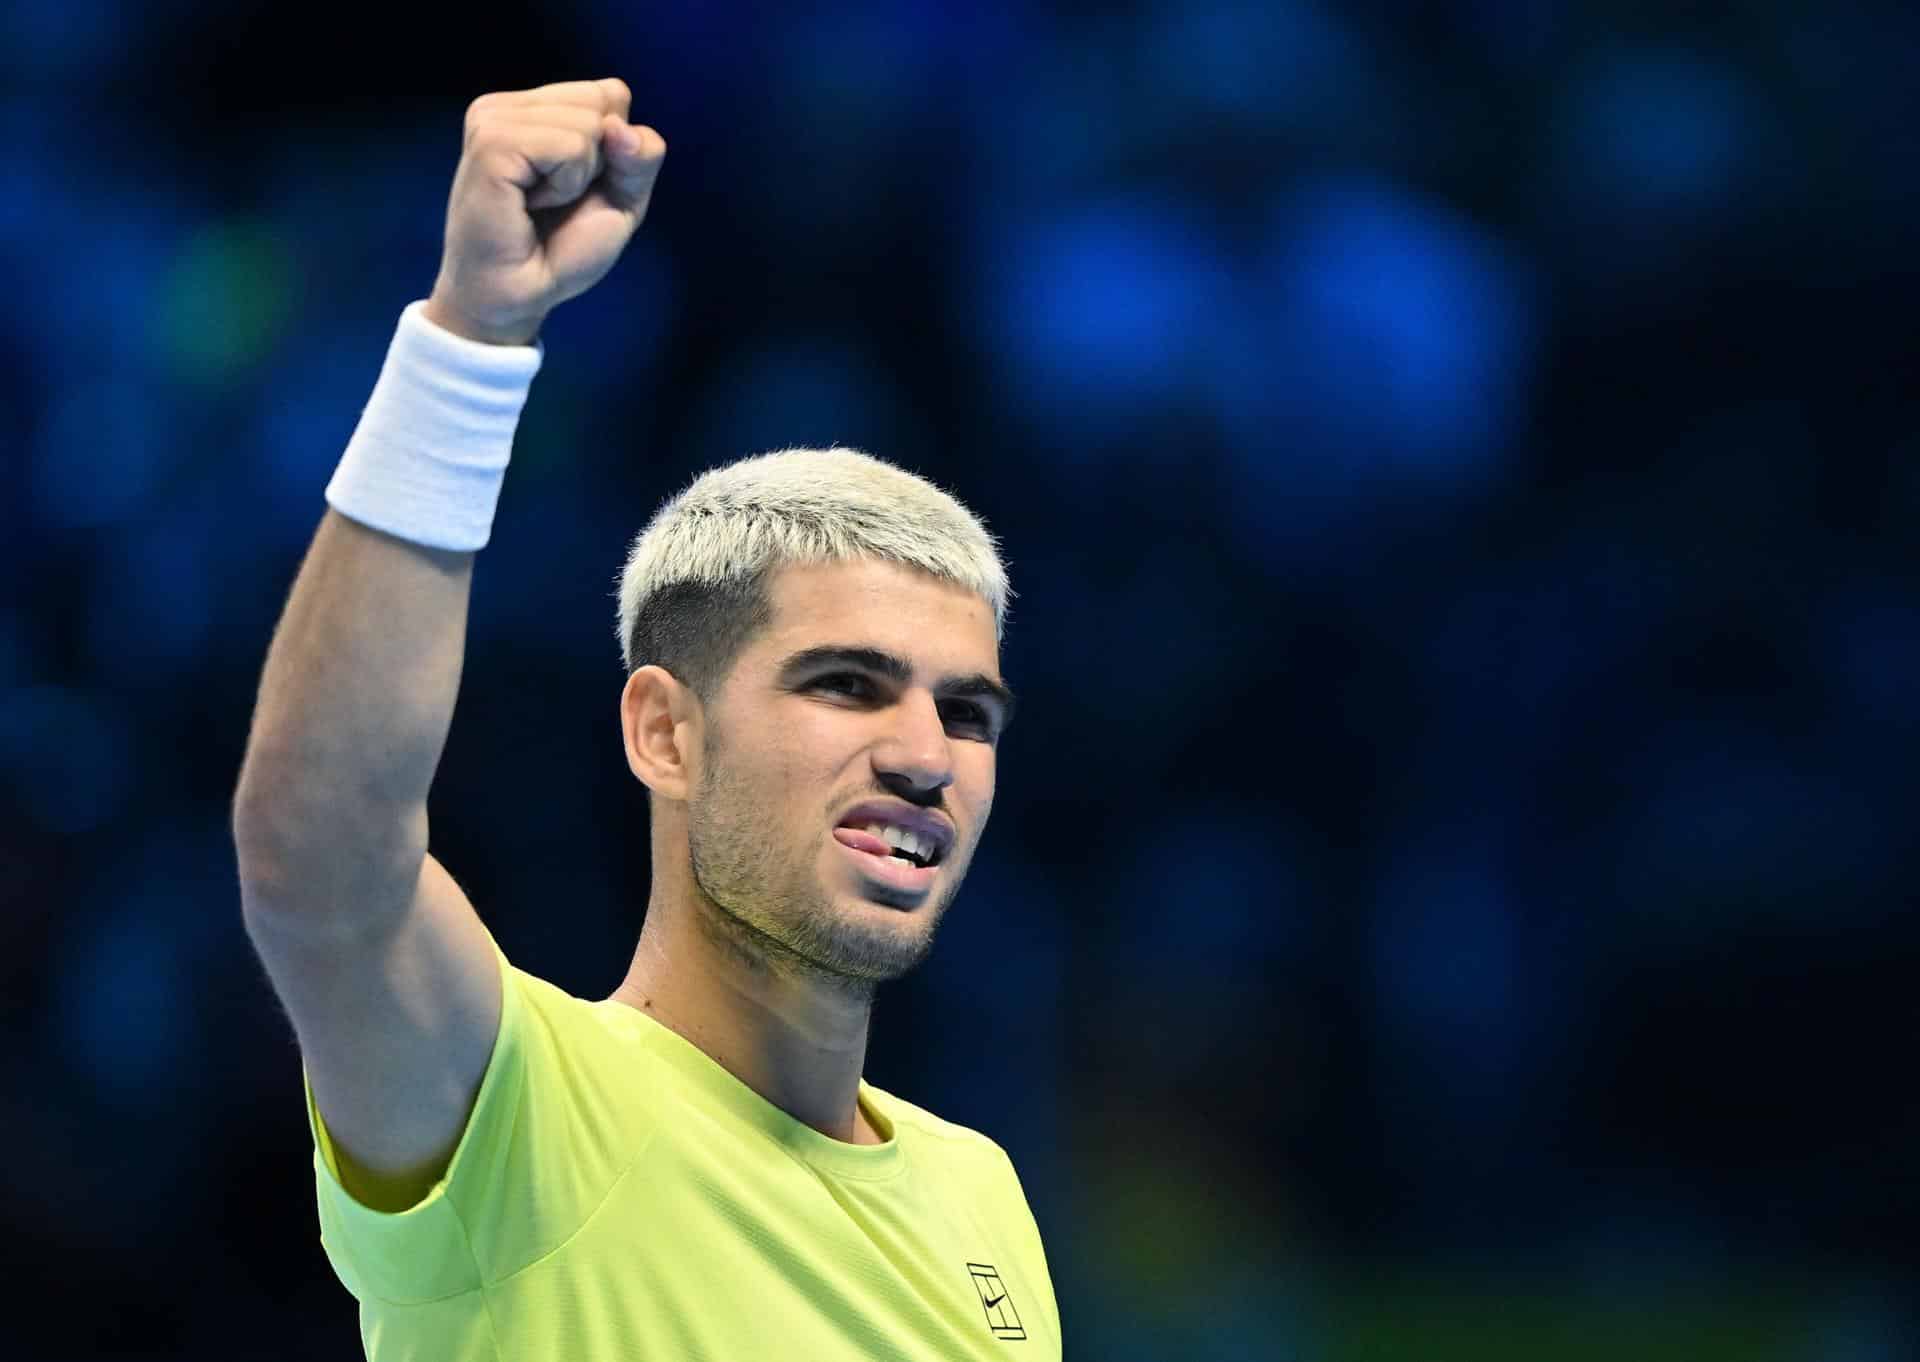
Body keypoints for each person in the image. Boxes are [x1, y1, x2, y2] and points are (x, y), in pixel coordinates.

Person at [232, 78, 1059, 1360]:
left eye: (966, 711)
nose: (921, 754)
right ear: (664, 732)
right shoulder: (526, 1117)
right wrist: (473, 337)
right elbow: (318, 858)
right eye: (844, 683)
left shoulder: (979, 1195)